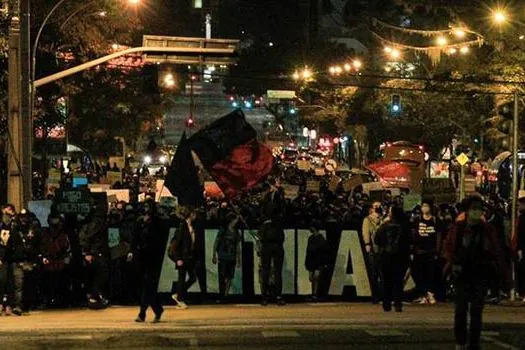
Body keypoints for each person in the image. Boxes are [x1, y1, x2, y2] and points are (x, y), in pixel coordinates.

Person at [443, 196, 505, 350]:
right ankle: (461, 341)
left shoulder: (487, 229)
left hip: (480, 273)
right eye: (474, 209)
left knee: (477, 310)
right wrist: (452, 264)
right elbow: (449, 248)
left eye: (479, 209)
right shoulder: (458, 228)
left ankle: (474, 343)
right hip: (462, 273)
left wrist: (502, 272)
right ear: (467, 211)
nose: (477, 212)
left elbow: (496, 250)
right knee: (461, 309)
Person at [375, 206, 412, 312]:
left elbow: (377, 239)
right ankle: (398, 303)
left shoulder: (385, 225)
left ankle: (386, 304)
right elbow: (410, 240)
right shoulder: (405, 226)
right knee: (399, 281)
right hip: (401, 256)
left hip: (386, 255)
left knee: (386, 281)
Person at [133, 204, 164, 323]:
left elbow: (157, 240)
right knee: (147, 287)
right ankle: (157, 309)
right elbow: (135, 237)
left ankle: (142, 313)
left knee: (148, 285)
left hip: (153, 258)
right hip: (142, 258)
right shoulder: (140, 223)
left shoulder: (157, 223)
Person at [259, 178, 286, 306]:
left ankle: (277, 295)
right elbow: (267, 210)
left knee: (277, 271)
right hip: (268, 241)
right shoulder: (266, 200)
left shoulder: (278, 198)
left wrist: (278, 193)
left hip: (276, 241)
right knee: (266, 271)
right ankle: (265, 296)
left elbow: (281, 209)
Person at [411, 199, 441, 305]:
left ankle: (429, 293)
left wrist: (437, 250)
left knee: (430, 273)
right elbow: (414, 234)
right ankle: (423, 294)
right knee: (417, 273)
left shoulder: (435, 220)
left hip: (431, 251)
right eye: (423, 206)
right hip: (419, 251)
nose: (424, 208)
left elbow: (438, 236)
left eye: (426, 206)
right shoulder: (417, 220)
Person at [171, 208, 200, 310]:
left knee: (192, 277)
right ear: (190, 215)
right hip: (182, 257)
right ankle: (180, 299)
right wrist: (178, 258)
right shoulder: (182, 227)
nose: (195, 216)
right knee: (182, 278)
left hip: (189, 257)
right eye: (194, 214)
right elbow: (175, 244)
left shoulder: (191, 227)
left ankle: (179, 295)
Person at [40, 213, 71, 308]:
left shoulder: (64, 233)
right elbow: (42, 245)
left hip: (60, 260)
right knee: (49, 281)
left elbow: (67, 246)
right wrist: (44, 256)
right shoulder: (45, 232)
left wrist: (66, 257)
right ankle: (50, 299)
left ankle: (62, 300)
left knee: (62, 281)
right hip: (50, 260)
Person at [212, 212, 242, 302]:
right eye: (235, 219)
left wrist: (238, 258)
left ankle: (226, 295)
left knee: (230, 276)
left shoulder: (236, 232)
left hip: (232, 256)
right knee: (222, 276)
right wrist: (214, 254)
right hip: (223, 256)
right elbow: (216, 242)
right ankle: (222, 294)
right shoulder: (223, 230)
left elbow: (237, 246)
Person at [362, 202, 383, 304]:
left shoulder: (384, 219)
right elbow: (366, 232)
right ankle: (375, 296)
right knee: (374, 273)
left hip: (383, 249)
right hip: (374, 249)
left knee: (383, 273)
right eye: (376, 206)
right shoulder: (368, 219)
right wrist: (367, 244)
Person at [305, 223, 329, 302]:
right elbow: (308, 251)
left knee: (316, 277)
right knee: (312, 278)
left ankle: (315, 294)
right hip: (312, 261)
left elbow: (324, 251)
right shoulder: (311, 238)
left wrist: (324, 262)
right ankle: (314, 294)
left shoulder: (321, 238)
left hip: (319, 261)